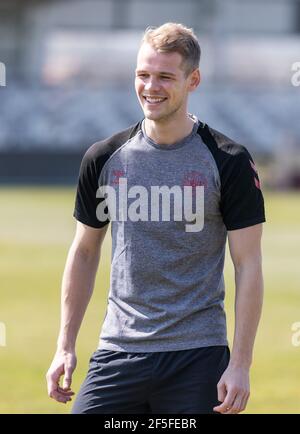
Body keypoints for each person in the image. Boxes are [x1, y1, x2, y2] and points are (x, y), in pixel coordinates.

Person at [46, 22, 265, 414]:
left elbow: (248, 264)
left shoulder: (228, 160)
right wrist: (65, 345)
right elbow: (83, 253)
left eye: (165, 77)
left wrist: (241, 365)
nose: (151, 87)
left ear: (193, 79)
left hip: (197, 356)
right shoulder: (103, 158)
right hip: (119, 350)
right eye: (143, 75)